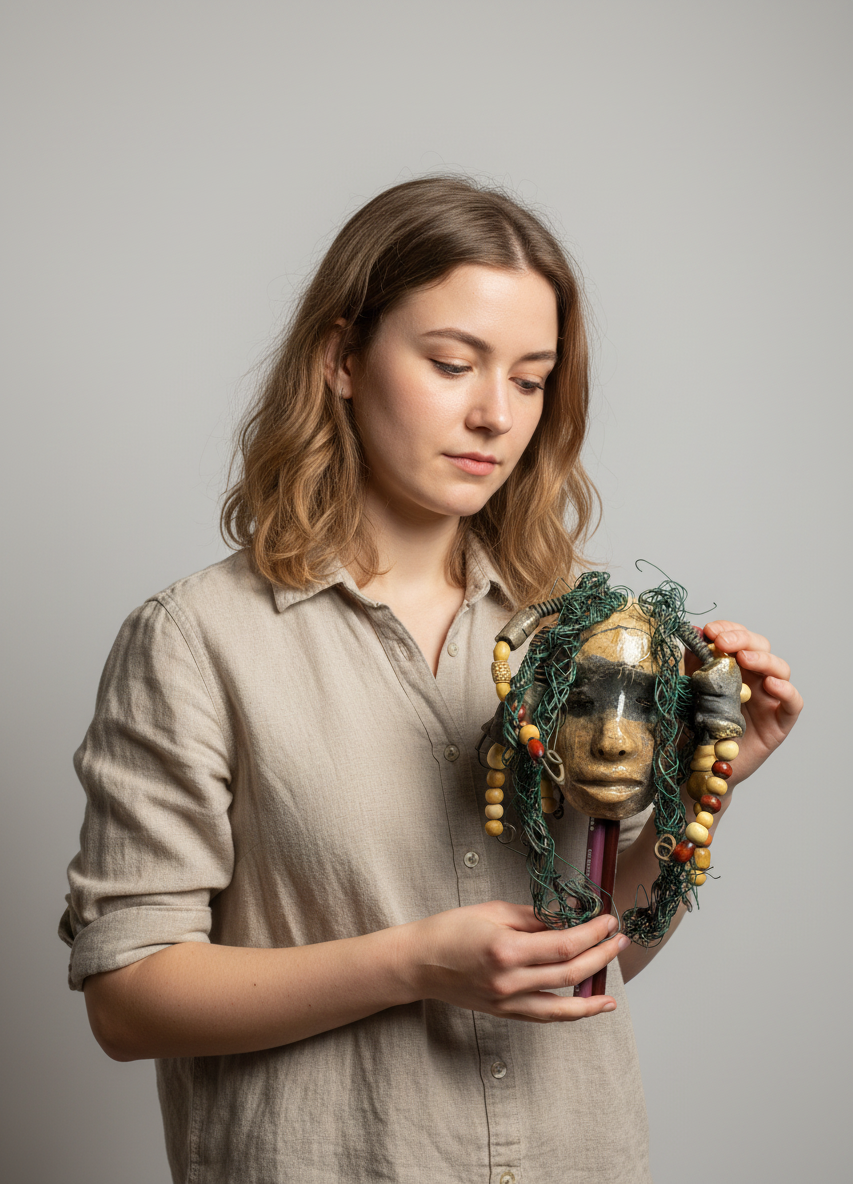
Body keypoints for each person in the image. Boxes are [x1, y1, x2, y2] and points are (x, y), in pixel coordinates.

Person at [60, 176, 802, 1184]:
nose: (495, 414)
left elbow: (594, 952)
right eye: (453, 362)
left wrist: (710, 784)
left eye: (532, 379)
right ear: (341, 359)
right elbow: (129, 994)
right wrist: (412, 961)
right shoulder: (198, 640)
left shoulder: (581, 629)